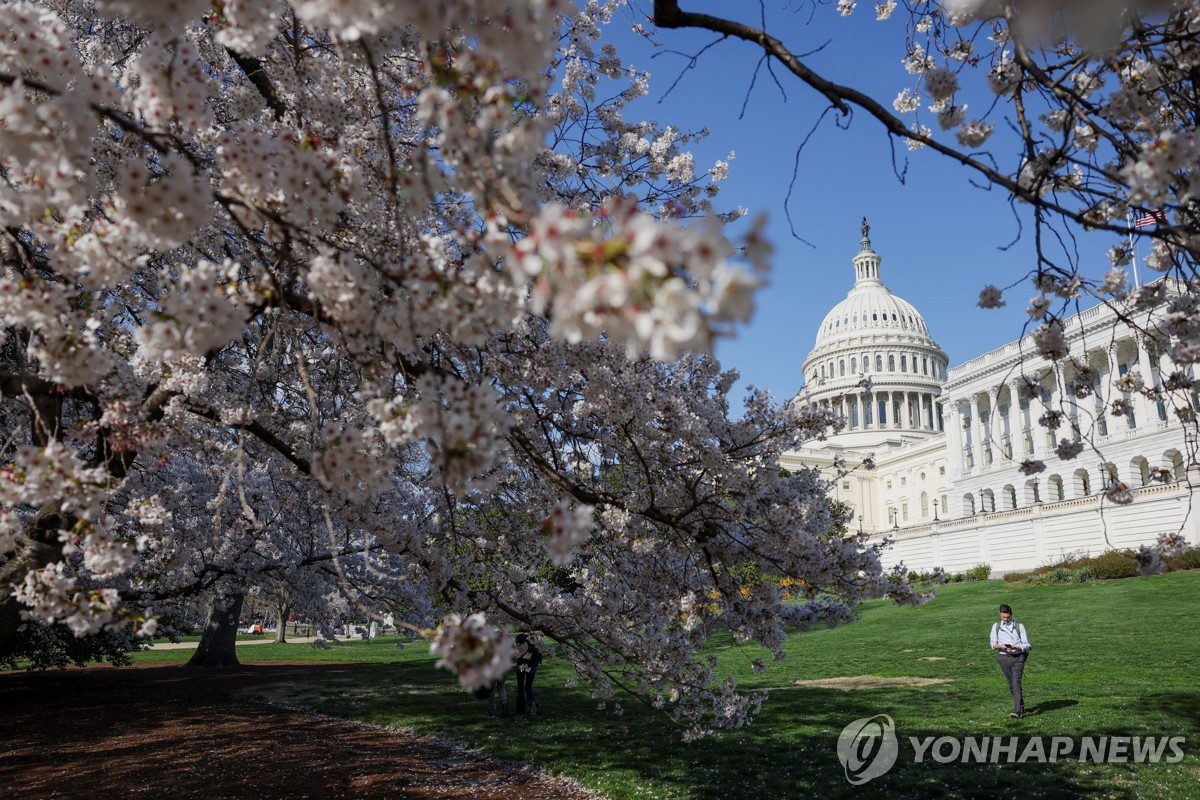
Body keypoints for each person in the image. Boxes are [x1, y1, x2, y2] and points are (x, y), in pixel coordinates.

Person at [990, 603, 1031, 718]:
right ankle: (1021, 706)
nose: (1006, 619)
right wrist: (1001, 646)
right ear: (1000, 615)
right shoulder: (996, 626)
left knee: (1016, 682)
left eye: (1008, 617)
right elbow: (992, 644)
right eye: (1004, 617)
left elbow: (1026, 644)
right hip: (1003, 658)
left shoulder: (1019, 626)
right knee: (1011, 685)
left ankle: (1017, 710)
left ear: (1011, 614)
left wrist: (1015, 647)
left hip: (1018, 657)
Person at [514, 633, 542, 716]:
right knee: (529, 686)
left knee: (520, 686)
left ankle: (521, 709)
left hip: (521, 666)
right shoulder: (533, 647)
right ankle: (532, 702)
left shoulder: (520, 647)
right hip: (531, 667)